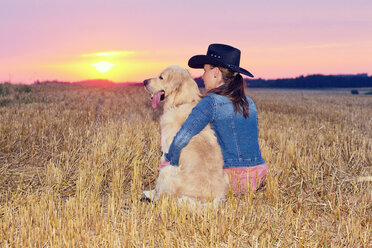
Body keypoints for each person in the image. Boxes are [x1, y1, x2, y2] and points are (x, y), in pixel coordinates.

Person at [162, 43, 267, 193]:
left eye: (205, 70)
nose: (202, 76)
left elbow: (183, 138)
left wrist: (168, 164)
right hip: (257, 176)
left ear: (216, 72)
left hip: (228, 179)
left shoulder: (210, 102)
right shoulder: (249, 102)